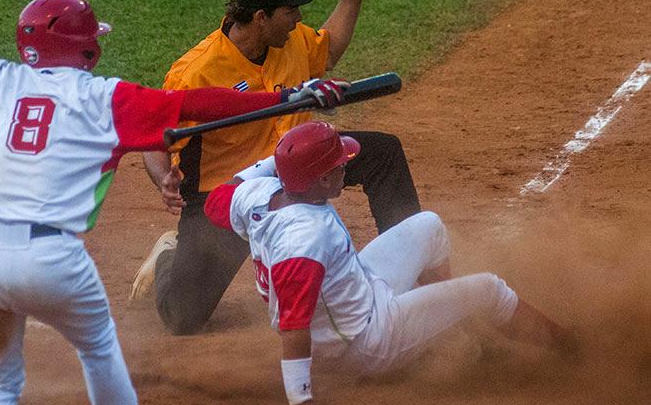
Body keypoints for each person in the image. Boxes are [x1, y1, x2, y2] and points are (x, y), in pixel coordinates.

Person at [0, 0, 347, 405]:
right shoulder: (105, 98)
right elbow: (196, 103)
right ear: (86, 48)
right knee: (99, 354)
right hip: (54, 260)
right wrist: (289, 98)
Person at [132, 0, 421, 335]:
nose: (299, 19)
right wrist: (164, 182)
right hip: (227, 197)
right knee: (184, 317)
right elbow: (154, 137)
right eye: (290, 11)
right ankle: (168, 256)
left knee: (383, 153)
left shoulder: (290, 39)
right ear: (260, 17)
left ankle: (411, 263)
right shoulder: (196, 72)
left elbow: (328, 49)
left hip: (298, 166)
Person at [203, 121, 577, 404]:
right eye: (339, 165)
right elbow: (293, 328)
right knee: (490, 291)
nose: (347, 167)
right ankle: (571, 347)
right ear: (322, 179)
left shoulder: (258, 195)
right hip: (363, 343)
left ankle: (446, 332)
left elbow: (218, 197)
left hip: (358, 295)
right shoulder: (304, 240)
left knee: (429, 227)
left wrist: (284, 159)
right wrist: (301, 399)